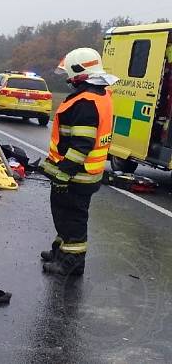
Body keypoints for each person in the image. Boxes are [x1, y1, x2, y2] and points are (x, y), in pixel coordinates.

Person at [40, 48, 118, 276]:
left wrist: (64, 173)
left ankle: (71, 263)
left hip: (76, 176)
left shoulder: (85, 102)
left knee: (72, 219)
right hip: (82, 175)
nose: (67, 78)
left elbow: (81, 145)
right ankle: (60, 251)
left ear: (79, 72)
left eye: (69, 73)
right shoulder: (98, 95)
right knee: (63, 215)